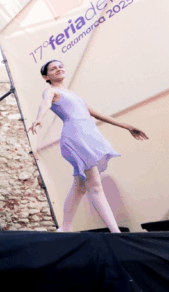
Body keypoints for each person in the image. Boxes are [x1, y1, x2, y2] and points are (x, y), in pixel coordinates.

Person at [28, 59, 148, 233]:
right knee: (95, 186)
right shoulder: (50, 91)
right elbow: (45, 104)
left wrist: (127, 126)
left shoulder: (74, 95)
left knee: (80, 186)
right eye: (53, 69)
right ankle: (115, 232)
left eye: (61, 66)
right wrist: (39, 118)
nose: (58, 69)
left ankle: (65, 228)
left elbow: (99, 115)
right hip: (76, 137)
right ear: (46, 76)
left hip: (88, 135)